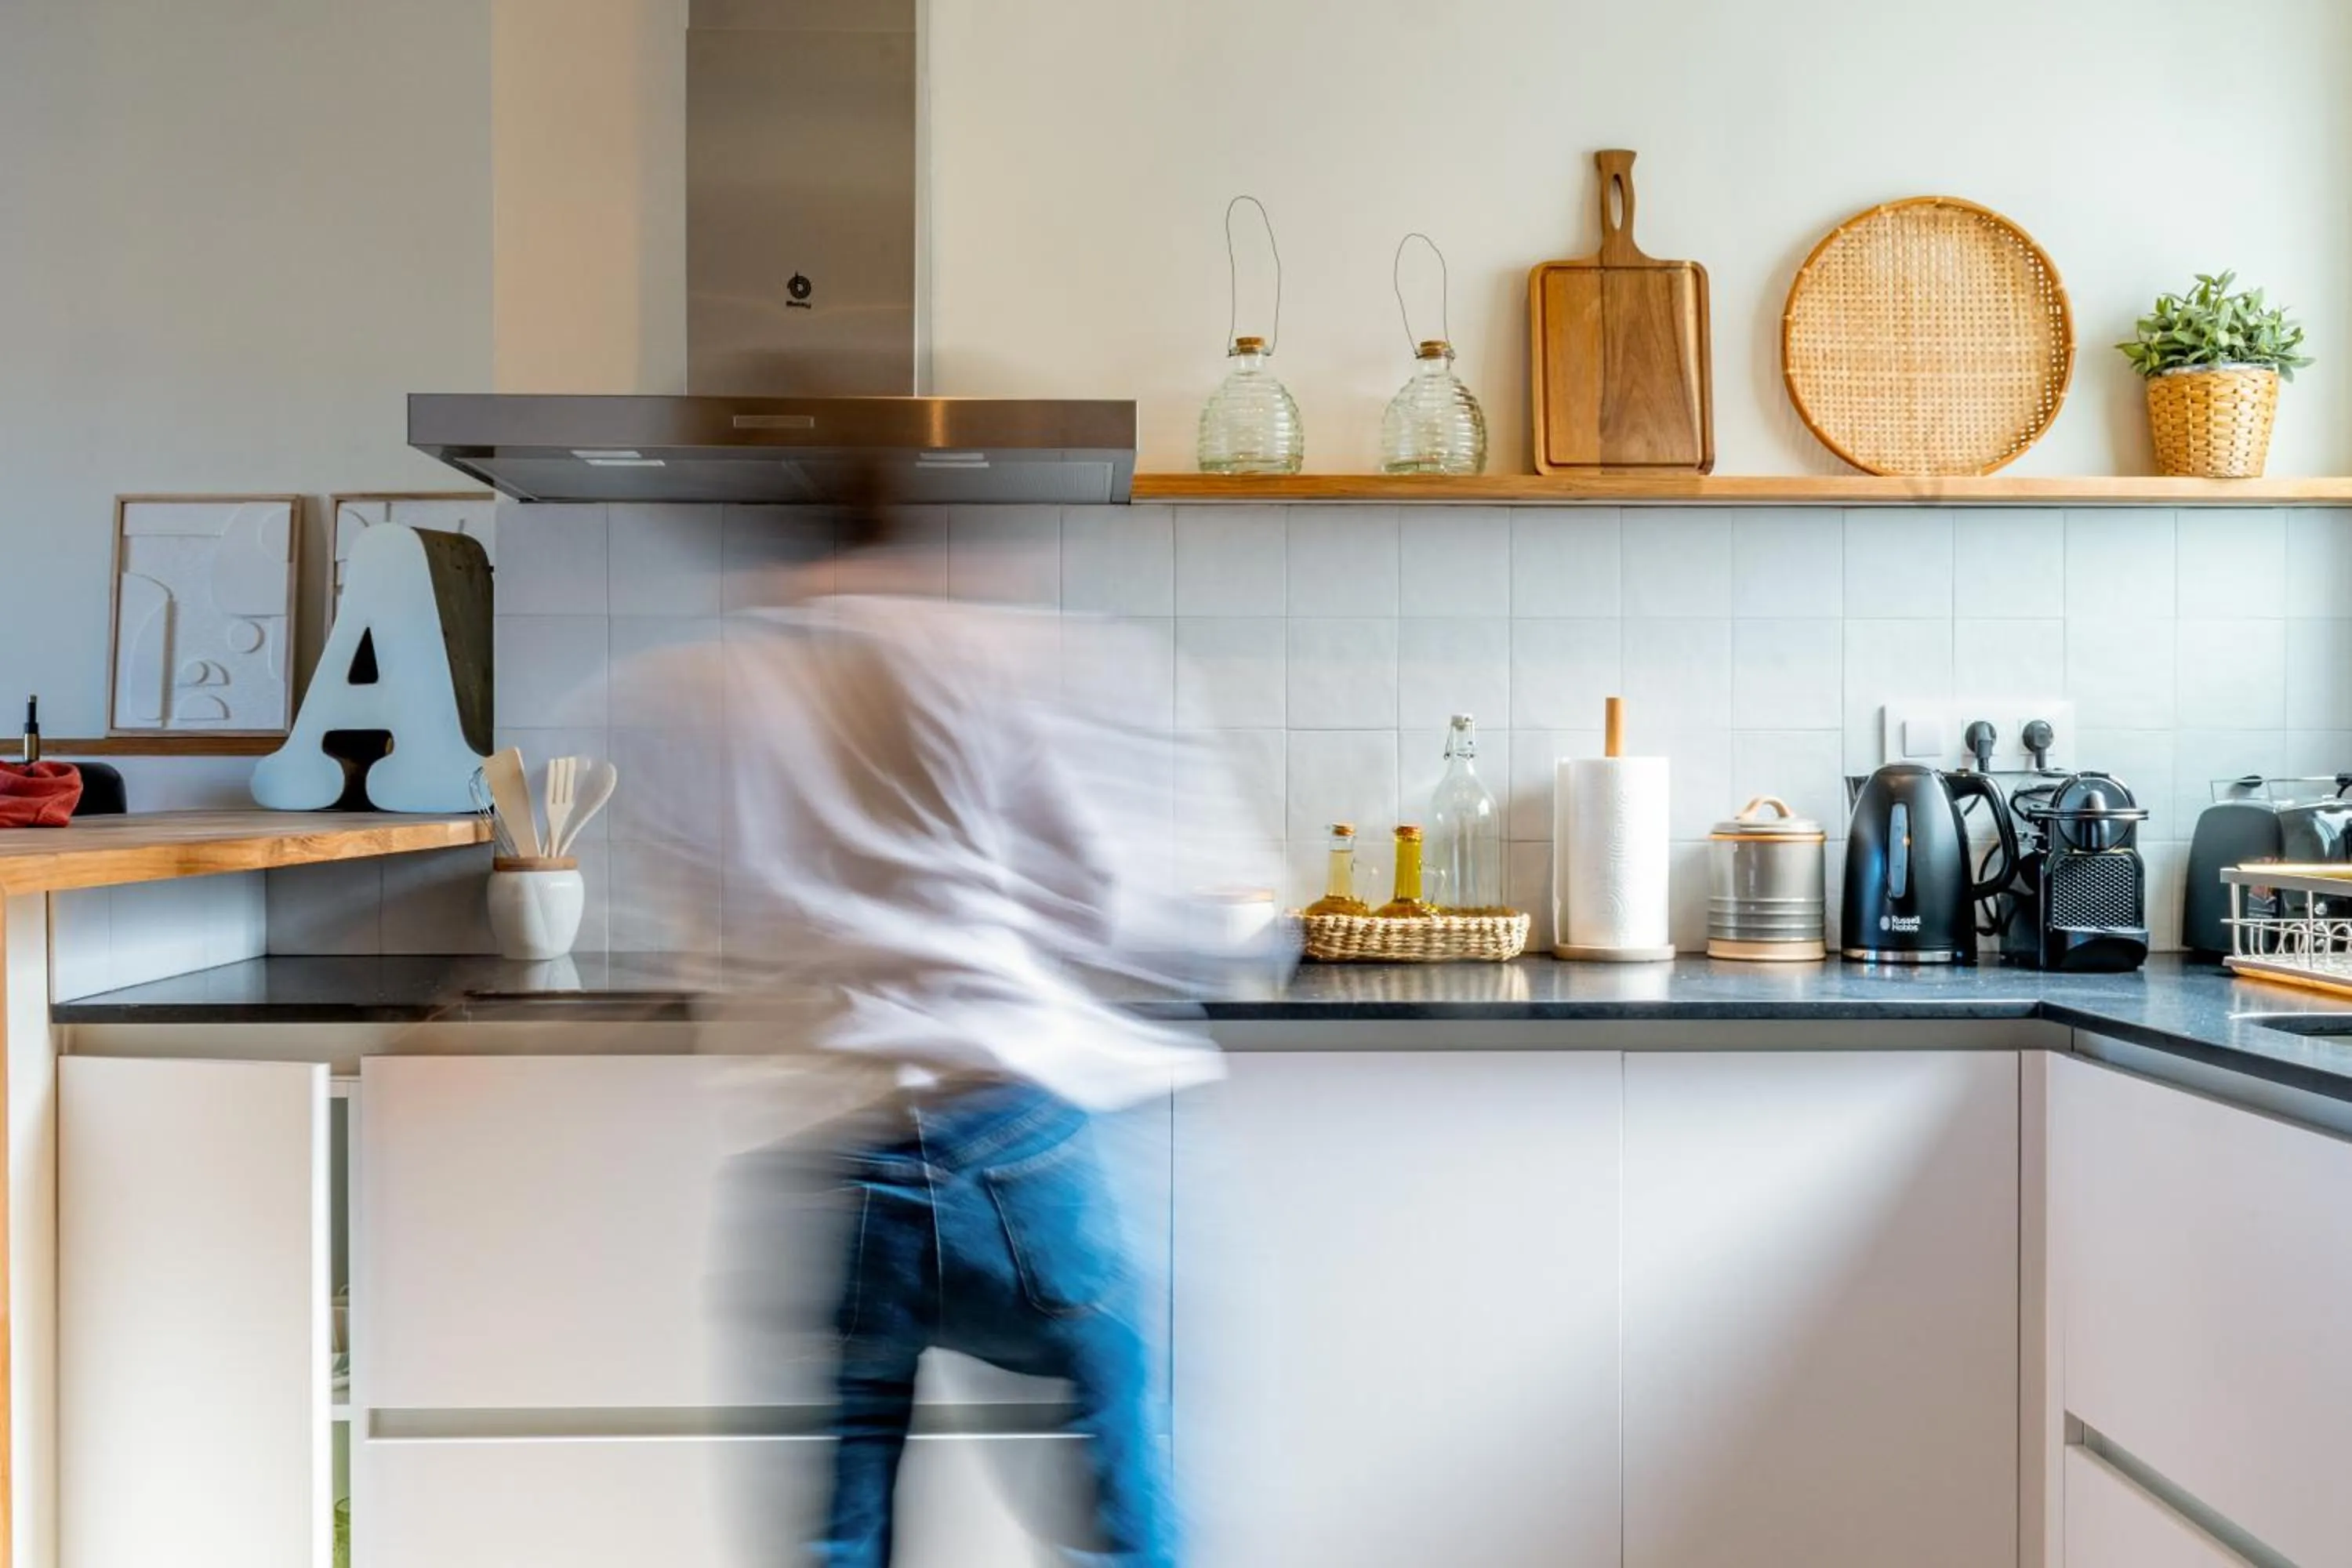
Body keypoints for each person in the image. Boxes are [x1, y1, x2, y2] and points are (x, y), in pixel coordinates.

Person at [617, 490, 1281, 1567]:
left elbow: (703, 923)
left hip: (832, 1150)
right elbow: (1115, 912)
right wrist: (1232, 927)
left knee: (842, 1526)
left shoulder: (684, 686)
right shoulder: (989, 657)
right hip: (1013, 1141)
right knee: (1118, 1463)